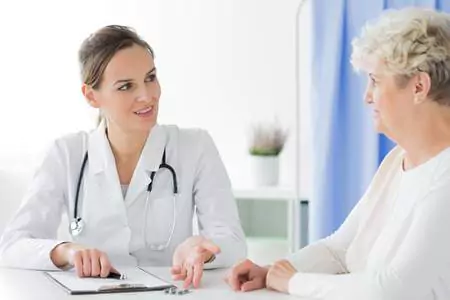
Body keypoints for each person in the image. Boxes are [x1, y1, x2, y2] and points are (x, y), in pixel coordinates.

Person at [226, 7, 450, 300]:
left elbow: (395, 289)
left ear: (419, 86)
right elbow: (341, 250)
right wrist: (274, 271)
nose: (366, 95)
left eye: (376, 80)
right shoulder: (398, 161)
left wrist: (293, 282)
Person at [0, 25, 246, 289]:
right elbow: (12, 246)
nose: (147, 95)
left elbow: (233, 242)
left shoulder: (195, 147)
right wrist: (66, 251)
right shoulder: (66, 154)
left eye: (150, 78)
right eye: (126, 86)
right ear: (91, 96)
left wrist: (201, 249)